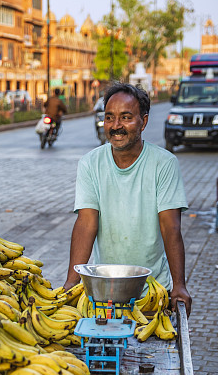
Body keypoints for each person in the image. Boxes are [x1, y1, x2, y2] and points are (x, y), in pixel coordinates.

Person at [64, 82, 192, 315]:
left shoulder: (164, 164)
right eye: (110, 117)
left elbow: (170, 228)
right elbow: (86, 223)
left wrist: (179, 285)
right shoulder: (90, 163)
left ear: (143, 122)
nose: (116, 126)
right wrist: (71, 283)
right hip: (104, 293)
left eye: (125, 117)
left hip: (153, 291)